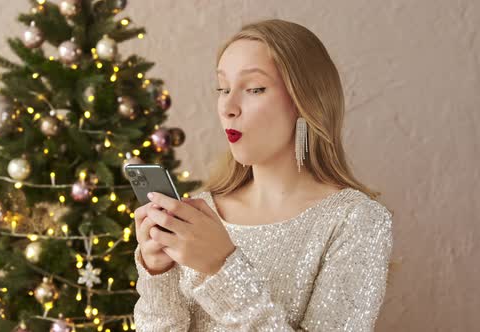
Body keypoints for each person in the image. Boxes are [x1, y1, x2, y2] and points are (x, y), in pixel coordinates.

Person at [132, 18, 393, 331]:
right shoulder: (199, 215)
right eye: (222, 88)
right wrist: (158, 275)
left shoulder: (356, 220)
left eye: (254, 89)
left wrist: (221, 268)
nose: (228, 106)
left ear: (305, 101)